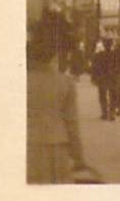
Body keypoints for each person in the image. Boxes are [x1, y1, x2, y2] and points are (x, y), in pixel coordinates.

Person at [28, 35, 92, 184]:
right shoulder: (64, 82)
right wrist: (78, 156)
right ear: (53, 57)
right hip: (57, 145)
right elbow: (71, 123)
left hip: (26, 146)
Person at [89, 39, 116, 121]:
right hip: (111, 78)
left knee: (103, 96)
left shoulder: (99, 55)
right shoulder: (115, 55)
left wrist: (94, 77)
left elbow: (94, 67)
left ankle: (105, 113)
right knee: (112, 96)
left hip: (103, 78)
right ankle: (111, 113)